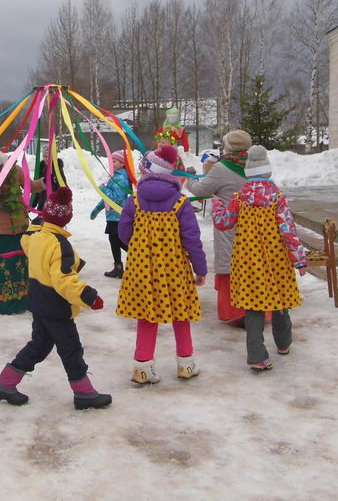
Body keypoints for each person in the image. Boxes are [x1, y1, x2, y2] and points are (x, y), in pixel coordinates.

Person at [0, 187, 112, 410]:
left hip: (38, 302)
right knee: (71, 349)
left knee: (39, 345)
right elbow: (63, 280)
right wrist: (89, 297)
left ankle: (4, 383)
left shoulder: (35, 237)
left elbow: (27, 238)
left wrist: (40, 221)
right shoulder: (60, 244)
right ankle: (84, 393)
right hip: (56, 307)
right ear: (67, 218)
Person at [212, 145, 309, 371]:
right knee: (280, 300)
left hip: (247, 261)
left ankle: (257, 355)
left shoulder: (239, 197)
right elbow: (288, 231)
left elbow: (223, 222)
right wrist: (300, 260)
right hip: (276, 260)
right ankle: (283, 343)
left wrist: (217, 206)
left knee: (253, 306)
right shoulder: (278, 198)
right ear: (267, 172)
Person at [117, 145, 208, 384]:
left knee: (146, 316)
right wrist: (200, 269)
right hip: (175, 269)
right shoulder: (181, 203)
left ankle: (143, 368)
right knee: (181, 314)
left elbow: (123, 232)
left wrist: (139, 248)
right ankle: (186, 365)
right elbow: (191, 239)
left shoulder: (134, 199)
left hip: (142, 268)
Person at [186, 129, 252, 326]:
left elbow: (200, 190)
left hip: (229, 223)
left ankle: (237, 312)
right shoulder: (253, 164)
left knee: (232, 264)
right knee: (251, 265)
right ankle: (258, 309)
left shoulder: (223, 168)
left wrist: (190, 177)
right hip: (253, 226)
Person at [0, 149, 44, 315]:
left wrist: (45, 182)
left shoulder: (14, 172)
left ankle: (23, 300)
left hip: (20, 228)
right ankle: (3, 303)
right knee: (0, 267)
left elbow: (31, 186)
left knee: (21, 265)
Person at [90, 149, 131, 278]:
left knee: (118, 240)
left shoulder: (122, 178)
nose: (112, 163)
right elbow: (107, 199)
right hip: (112, 217)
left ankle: (139, 256)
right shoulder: (115, 176)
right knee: (114, 240)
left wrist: (103, 188)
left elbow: (115, 198)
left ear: (123, 163)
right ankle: (118, 267)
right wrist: (97, 209)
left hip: (119, 216)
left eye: (114, 161)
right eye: (111, 161)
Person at [31, 144, 66, 211]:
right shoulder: (41, 168)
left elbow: (63, 186)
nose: (47, 159)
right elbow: (37, 188)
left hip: (54, 207)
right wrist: (31, 205)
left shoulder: (57, 168)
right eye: (45, 156)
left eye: (50, 156)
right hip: (42, 206)